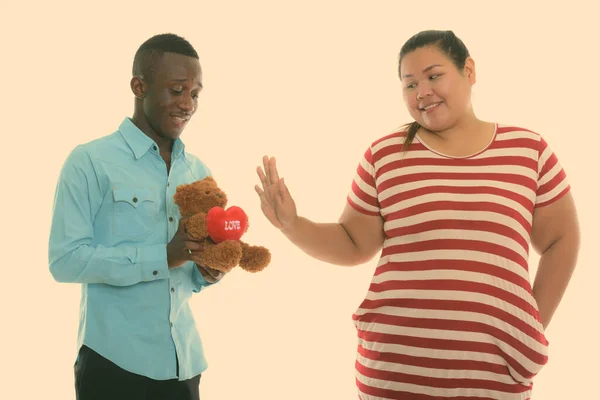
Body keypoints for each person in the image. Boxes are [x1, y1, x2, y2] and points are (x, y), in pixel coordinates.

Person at [255, 30, 580, 399]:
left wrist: (532, 329)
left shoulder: (528, 150)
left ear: (469, 70)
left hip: (495, 377)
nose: (421, 92)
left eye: (433, 75)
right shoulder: (385, 154)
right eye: (409, 84)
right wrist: (292, 225)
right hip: (392, 374)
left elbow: (562, 239)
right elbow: (353, 245)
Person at [48, 33, 226, 400]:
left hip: (184, 363)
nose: (187, 104)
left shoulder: (198, 171)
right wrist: (162, 255)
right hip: (113, 365)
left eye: (195, 93)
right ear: (139, 86)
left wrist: (208, 271)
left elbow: (189, 278)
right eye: (177, 90)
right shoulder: (89, 161)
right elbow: (64, 261)